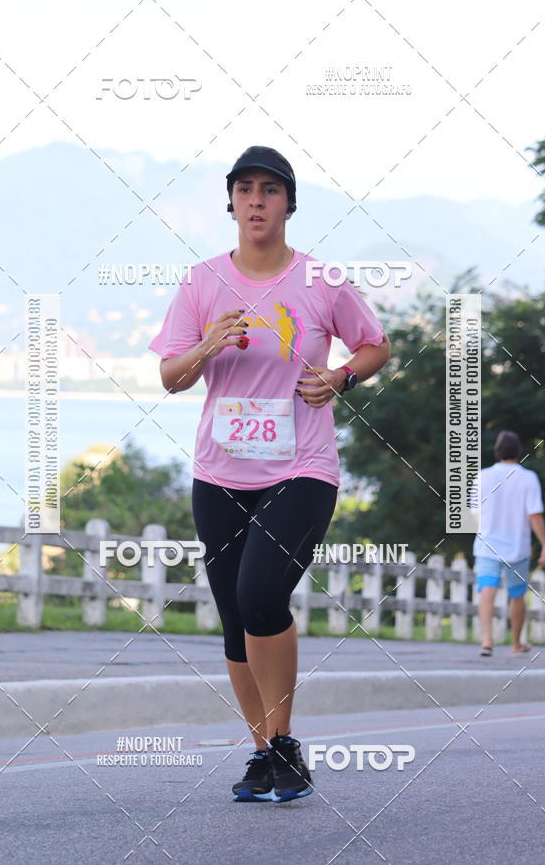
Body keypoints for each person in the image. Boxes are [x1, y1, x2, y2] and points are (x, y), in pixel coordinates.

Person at [148, 145, 390, 802]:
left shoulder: (322, 280)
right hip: (219, 475)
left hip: (301, 470)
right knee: (234, 618)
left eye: (270, 190)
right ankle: (264, 753)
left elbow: (374, 345)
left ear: (289, 204)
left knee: (260, 596)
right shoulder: (201, 282)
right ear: (231, 203)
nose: (256, 200)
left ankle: (283, 743)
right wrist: (207, 345)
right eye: (245, 189)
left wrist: (340, 377)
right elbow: (170, 377)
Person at [472, 430, 545, 656]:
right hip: (518, 546)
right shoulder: (528, 478)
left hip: (487, 544)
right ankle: (516, 644)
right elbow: (534, 515)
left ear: (497, 451)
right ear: (519, 452)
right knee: (517, 594)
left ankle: (487, 641)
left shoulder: (481, 476)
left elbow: (473, 514)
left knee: (487, 588)